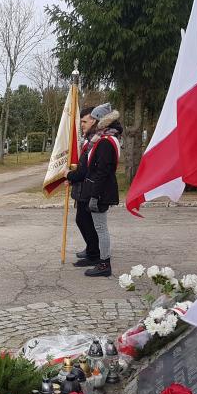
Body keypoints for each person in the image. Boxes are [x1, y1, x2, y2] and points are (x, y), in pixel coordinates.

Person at [66, 103, 123, 277]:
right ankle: (96, 257)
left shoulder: (105, 142)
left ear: (100, 121)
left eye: (94, 120)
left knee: (100, 228)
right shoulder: (101, 139)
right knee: (97, 226)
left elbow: (102, 173)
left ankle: (104, 264)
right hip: (97, 191)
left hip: (100, 192)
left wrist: (94, 196)